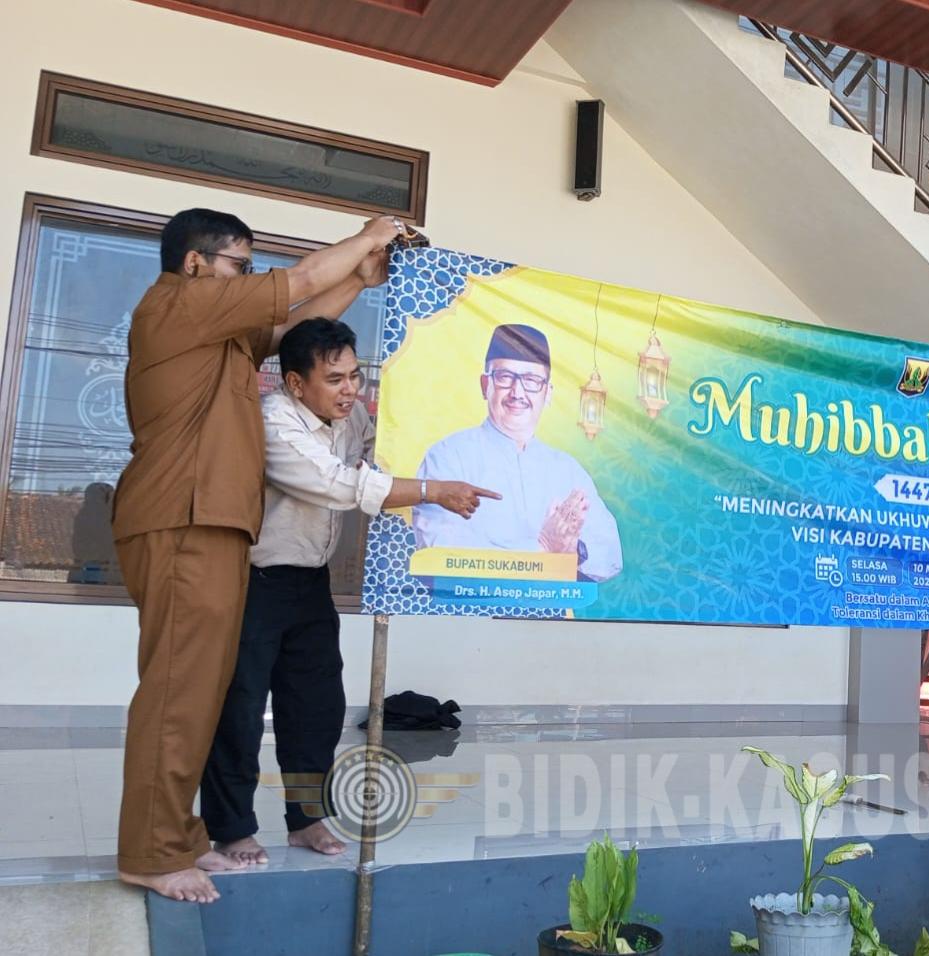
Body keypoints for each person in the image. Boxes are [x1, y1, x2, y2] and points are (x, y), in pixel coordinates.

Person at [112, 207, 404, 903]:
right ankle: (152, 852)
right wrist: (369, 237)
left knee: (203, 695)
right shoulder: (176, 305)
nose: (249, 279)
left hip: (212, 526)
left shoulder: (217, 338)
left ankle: (181, 834)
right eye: (240, 267)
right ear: (194, 263)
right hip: (182, 520)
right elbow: (298, 282)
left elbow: (287, 329)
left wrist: (360, 280)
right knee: (180, 692)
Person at [200, 319, 496, 866]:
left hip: (311, 582)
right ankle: (232, 829)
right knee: (240, 709)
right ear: (295, 383)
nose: (350, 390)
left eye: (355, 376)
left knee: (316, 707)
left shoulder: (350, 415)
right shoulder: (272, 422)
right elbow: (340, 486)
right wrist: (432, 491)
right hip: (253, 583)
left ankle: (305, 820)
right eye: (334, 379)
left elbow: (383, 451)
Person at [413, 324, 622, 582]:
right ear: (485, 385)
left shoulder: (567, 470)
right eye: (505, 377)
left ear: (548, 393)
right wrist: (542, 548)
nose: (518, 392)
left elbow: (610, 556)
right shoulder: (448, 456)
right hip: (469, 605)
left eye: (532, 381)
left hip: (550, 608)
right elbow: (437, 550)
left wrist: (574, 550)